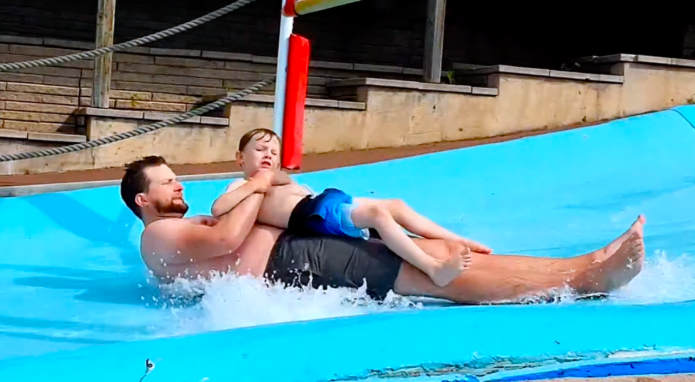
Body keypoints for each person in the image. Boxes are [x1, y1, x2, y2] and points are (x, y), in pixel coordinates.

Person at [121, 155, 646, 304]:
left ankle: (583, 264)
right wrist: (258, 185)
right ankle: (582, 281)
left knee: (428, 251)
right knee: (417, 272)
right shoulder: (156, 237)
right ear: (143, 200)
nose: (179, 187)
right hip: (295, 263)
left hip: (302, 250)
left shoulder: (183, 225)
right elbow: (228, 242)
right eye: (167, 184)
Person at [209, 128, 490, 287]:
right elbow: (218, 208)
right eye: (260, 150)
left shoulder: (276, 178)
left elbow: (279, 177)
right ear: (240, 158)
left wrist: (268, 177)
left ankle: (458, 239)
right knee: (377, 215)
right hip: (310, 215)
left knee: (396, 206)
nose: (268, 156)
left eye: (273, 152)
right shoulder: (241, 185)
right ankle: (434, 268)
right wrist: (254, 185)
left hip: (322, 202)